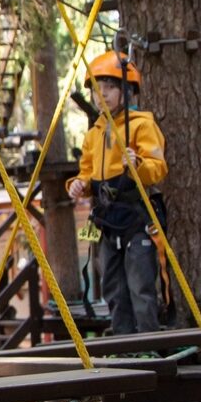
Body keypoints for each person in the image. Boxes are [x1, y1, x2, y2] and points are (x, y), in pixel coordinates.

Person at [66, 49, 167, 335]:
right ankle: (123, 343)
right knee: (112, 285)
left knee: (140, 284)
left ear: (127, 90)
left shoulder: (141, 126)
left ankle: (147, 344)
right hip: (106, 218)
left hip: (135, 217)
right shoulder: (94, 134)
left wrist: (139, 165)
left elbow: (158, 167)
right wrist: (79, 185)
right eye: (98, 91)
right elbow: (86, 173)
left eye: (110, 88)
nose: (103, 96)